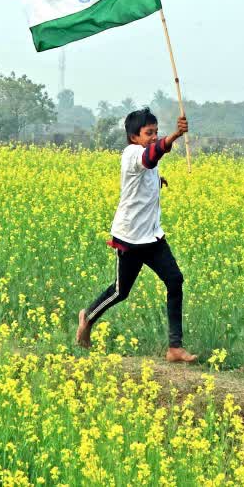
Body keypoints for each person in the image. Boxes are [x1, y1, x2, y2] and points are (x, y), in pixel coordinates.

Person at [76, 108, 197, 363]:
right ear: (133, 137)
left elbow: (151, 165)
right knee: (121, 291)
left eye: (156, 132)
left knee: (175, 280)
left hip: (152, 237)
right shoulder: (132, 153)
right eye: (148, 133)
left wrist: (157, 180)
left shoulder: (147, 156)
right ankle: (87, 317)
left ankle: (175, 347)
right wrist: (176, 134)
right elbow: (150, 157)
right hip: (130, 238)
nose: (154, 136)